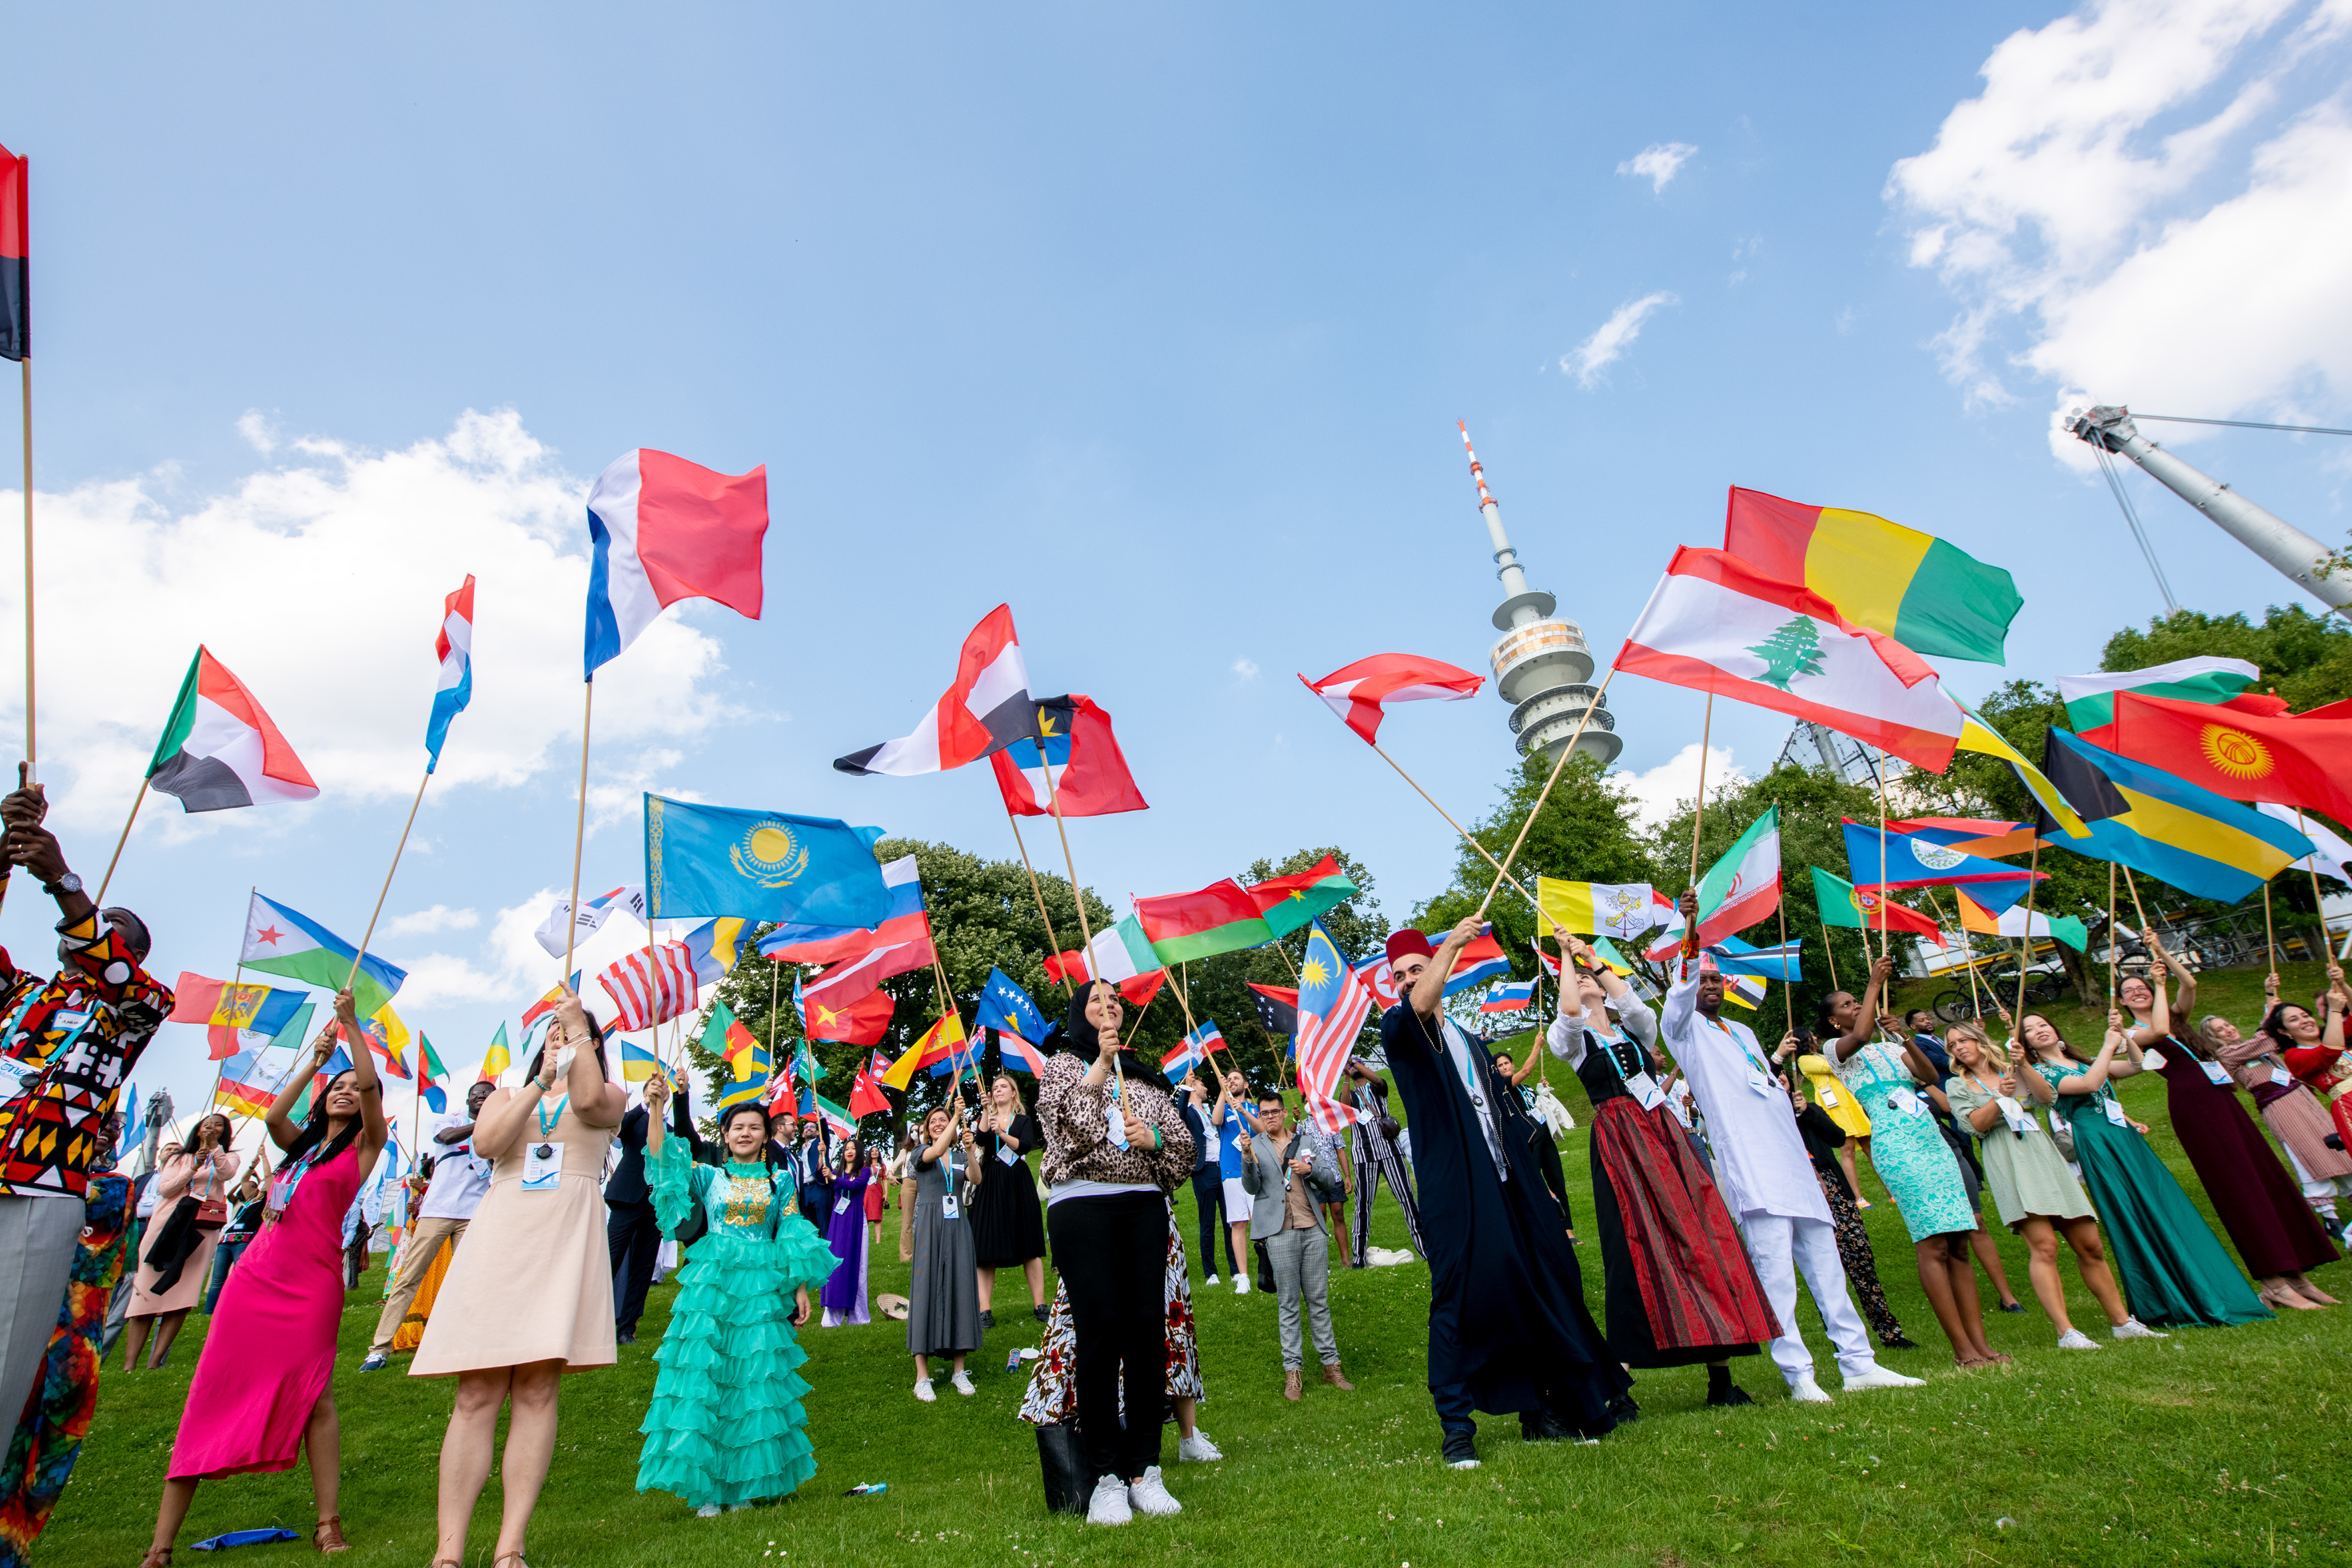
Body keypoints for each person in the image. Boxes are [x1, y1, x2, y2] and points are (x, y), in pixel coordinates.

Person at [141, 991, 388, 1566]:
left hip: (312, 1284)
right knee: (209, 1390)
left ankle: (329, 1524)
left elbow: (373, 1090)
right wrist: (315, 1059)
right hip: (253, 1279)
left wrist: (351, 1028)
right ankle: (160, 1546)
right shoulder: (296, 1148)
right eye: (340, 1084)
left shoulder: (365, 1149)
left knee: (316, 1396)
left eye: (356, 1086)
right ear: (326, 1095)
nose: (349, 1090)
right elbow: (276, 1117)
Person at [1657, 893, 1926, 1403]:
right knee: (1777, 1277)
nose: (1710, 985)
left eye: (1717, 979)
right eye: (1703, 979)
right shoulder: (1684, 1030)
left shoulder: (1742, 1031)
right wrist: (1691, 925)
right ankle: (1799, 1374)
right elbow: (1682, 985)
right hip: (1752, 1171)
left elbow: (1762, 1086)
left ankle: (1859, 1363)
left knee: (1829, 1271)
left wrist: (1785, 1095)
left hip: (1793, 1166)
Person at [1381, 923, 1630, 1467]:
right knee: (1458, 1300)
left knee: (1542, 1279)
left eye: (1415, 969)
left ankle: (1549, 1408)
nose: (1407, 981)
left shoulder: (1469, 1040)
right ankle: (1456, 1429)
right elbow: (1419, 1006)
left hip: (1506, 1182)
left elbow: (1501, 1112)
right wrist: (1450, 945)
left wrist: (1536, 1184)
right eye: (1398, 975)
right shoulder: (1399, 1030)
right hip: (1455, 1191)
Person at [412, 994, 624, 1568]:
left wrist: (579, 1030)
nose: (561, 1036)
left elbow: (586, 1101)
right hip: (502, 1238)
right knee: (476, 1392)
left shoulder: (609, 1097)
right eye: (552, 1031)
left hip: (563, 1238)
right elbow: (486, 1144)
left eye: (573, 1032)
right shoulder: (507, 1096)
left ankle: (510, 1547)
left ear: (594, 1045)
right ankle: (448, 1551)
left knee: (536, 1390)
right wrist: (538, 1082)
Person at [0, 781, 175, 1439]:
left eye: (110, 931)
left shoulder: (135, 1011)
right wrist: (6, 853)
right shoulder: (18, 997)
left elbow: (117, 977)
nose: (90, 931)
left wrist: (64, 882)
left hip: (41, 1190)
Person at [1546, 936, 1776, 1407]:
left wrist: (1590, 955)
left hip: (1663, 1132)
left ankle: (1721, 1379)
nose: (1587, 980)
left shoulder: (1637, 1029)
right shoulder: (1568, 1040)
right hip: (1618, 1140)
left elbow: (1631, 1001)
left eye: (1593, 978)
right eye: (1579, 977)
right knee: (1630, 1248)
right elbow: (1569, 1009)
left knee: (1700, 1234)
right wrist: (1565, 958)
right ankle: (1621, 1389)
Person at [1033, 981, 1195, 1525]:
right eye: (1098, 999)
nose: (1111, 1006)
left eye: (1117, 1000)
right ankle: (1105, 1476)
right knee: (1099, 1332)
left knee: (1147, 1333)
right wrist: (1099, 1066)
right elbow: (1066, 1129)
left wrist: (1153, 1139)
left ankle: (1144, 1469)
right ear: (1081, 1012)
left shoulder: (1147, 1078)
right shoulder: (1059, 1067)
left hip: (1144, 1209)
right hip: (1083, 1208)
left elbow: (1183, 1153)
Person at [636, 1082, 832, 1516]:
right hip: (714, 1284)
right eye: (737, 1126)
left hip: (760, 1289)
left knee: (752, 1383)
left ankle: (743, 1485)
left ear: (766, 1135)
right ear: (724, 1135)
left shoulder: (780, 1180)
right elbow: (662, 1159)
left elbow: (792, 1231)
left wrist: (799, 1286)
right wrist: (656, 1108)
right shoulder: (709, 1175)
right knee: (710, 1382)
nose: (745, 1132)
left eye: (754, 1127)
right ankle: (707, 1490)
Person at [2015, 1009, 2270, 1328]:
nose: (2039, 1030)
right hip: (2097, 1141)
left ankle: (2198, 1283)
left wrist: (2124, 1035)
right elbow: (2090, 1084)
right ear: (2025, 1042)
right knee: (2134, 1211)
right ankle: (2164, 1296)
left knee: (2159, 1203)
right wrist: (2109, 1047)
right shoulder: (2041, 1072)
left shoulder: (2082, 1061)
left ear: (2055, 1030)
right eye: (2029, 1029)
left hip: (2123, 1136)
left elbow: (2142, 1065)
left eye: (2043, 1024)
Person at [2120, 951, 2339, 1310]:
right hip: (2194, 1107)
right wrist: (2158, 986)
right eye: (2130, 990)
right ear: (2123, 1002)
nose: (2137, 992)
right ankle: (2273, 1283)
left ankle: (2298, 1277)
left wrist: (2162, 955)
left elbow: (2189, 984)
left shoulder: (2178, 1017)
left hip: (2222, 1098)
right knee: (2238, 1186)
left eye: (2141, 986)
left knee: (2265, 1177)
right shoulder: (2132, 1032)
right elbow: (2157, 1031)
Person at [1820, 953, 1997, 1368]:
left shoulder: (1885, 1046)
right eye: (1846, 1005)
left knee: (1959, 1241)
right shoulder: (1838, 1049)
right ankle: (1962, 1351)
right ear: (1833, 1021)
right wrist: (1873, 983)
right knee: (1933, 1242)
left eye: (1855, 1001)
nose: (1855, 1007)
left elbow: (1930, 1077)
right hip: (1896, 1145)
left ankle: (1982, 1345)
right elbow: (1859, 1037)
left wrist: (1904, 1039)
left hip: (1931, 1140)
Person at [1942, 1021, 2160, 1348]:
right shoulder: (1959, 1086)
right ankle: (2066, 1332)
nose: (1959, 1047)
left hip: (2044, 1154)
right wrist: (1999, 1098)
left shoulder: (2012, 1068)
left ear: (1980, 1041)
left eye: (1964, 1040)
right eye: (1952, 1044)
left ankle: (2121, 1322)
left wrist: (2025, 1065)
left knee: (2091, 1244)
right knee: (2045, 1246)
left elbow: (2046, 1098)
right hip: (2009, 1159)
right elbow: (1975, 1127)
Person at [1020, 1205, 1223, 1465]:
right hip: (1095, 1215)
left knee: (1172, 1327)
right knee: (1090, 1330)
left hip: (1149, 1213)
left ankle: (1189, 1437)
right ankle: (1094, 1445)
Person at [361, 1080, 497, 1371]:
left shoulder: (499, 1127)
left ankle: (468, 1343)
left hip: (476, 1212)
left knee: (473, 1281)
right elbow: (447, 1138)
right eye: (477, 1095)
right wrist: (485, 1122)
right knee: (410, 1276)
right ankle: (380, 1348)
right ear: (468, 1099)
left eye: (488, 1096)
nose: (482, 1098)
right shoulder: (450, 1120)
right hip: (439, 1210)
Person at [1778, 1060, 1912, 1349]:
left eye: (1784, 1079)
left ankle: (1889, 1332)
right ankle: (1840, 1335)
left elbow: (1839, 1138)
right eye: (1774, 1081)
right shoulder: (1770, 1119)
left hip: (1835, 1190)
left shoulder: (1808, 1110)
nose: (1781, 1084)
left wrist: (1805, 1112)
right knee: (1822, 1267)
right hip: (1803, 1193)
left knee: (1861, 1259)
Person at [2221, 972, 2352, 1241]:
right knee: (2305, 1153)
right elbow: (2272, 1033)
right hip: (2283, 1107)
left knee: (2337, 1150)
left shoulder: (2268, 1048)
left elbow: (2267, 1031)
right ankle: (2333, 1219)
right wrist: (2276, 1009)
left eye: (2228, 1025)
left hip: (2303, 1097)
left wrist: (2341, 985)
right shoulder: (2240, 1054)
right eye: (2219, 1030)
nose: (2228, 1030)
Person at [1238, 1092, 1352, 1400]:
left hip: (1312, 1228)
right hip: (1279, 1232)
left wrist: (1309, 1171)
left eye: (1275, 1112)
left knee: (1319, 1300)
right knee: (1288, 1303)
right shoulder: (1256, 1144)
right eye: (1264, 1113)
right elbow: (1251, 1187)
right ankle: (1293, 1374)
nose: (1270, 1117)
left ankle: (1332, 1367)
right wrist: (1247, 1157)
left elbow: (1330, 1179)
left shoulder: (1305, 1142)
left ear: (1285, 1113)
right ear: (1260, 1116)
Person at [123, 1114, 242, 1371]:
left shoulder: (227, 1155)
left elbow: (226, 1174)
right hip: (167, 1224)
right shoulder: (178, 1158)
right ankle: (129, 1365)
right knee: (146, 1288)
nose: (212, 1127)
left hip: (201, 1226)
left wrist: (214, 1149)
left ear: (225, 1132)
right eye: (208, 1123)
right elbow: (165, 1190)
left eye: (219, 1125)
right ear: (198, 1129)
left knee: (183, 1294)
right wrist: (192, 1167)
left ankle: (155, 1362)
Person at [606, 1067, 699, 1347]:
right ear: (646, 1093)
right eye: (652, 1090)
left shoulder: (670, 1131)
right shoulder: (634, 1121)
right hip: (627, 1199)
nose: (658, 1093)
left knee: (643, 1267)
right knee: (609, 1259)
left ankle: (627, 1328)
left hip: (656, 1206)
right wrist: (644, 1104)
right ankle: (590, 1319)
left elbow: (686, 1137)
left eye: (662, 1091)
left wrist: (682, 1094)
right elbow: (619, 1128)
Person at [906, 1104, 984, 1400]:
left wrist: (972, 1150)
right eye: (933, 1121)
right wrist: (954, 1117)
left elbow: (975, 1179)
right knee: (925, 1289)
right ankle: (922, 1376)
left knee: (960, 1288)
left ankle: (958, 1372)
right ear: (926, 1128)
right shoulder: (920, 1152)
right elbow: (936, 1152)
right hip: (929, 1224)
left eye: (943, 1120)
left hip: (957, 1226)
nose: (939, 1124)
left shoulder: (961, 1155)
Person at [971, 1072, 1048, 1326]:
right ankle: (985, 1310)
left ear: (1014, 1093)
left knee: (1029, 1242)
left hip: (1018, 1180)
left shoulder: (1023, 1119)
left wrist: (1002, 1132)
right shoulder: (988, 1116)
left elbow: (1024, 1145)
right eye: (995, 1087)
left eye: (1004, 1086)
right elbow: (981, 1140)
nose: (998, 1090)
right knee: (986, 1245)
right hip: (992, 1180)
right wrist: (985, 1111)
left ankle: (1040, 1304)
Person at [1344, 1060, 1423, 1265]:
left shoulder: (1377, 1088)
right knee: (1363, 1207)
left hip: (1390, 1152)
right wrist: (1345, 1077)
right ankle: (1359, 1260)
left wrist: (1353, 1061)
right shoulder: (1350, 1095)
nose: (1354, 1068)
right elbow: (1344, 1108)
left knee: (1407, 1199)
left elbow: (1379, 1080)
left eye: (1358, 1065)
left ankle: (1426, 1249)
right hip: (1364, 1156)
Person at [1175, 1073, 1235, 1285]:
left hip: (1224, 1168)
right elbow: (1179, 1115)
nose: (1206, 1089)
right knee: (1207, 1223)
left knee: (1231, 1221)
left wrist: (1223, 1088)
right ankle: (1211, 1273)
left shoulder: (1210, 1111)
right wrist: (1186, 1086)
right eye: (1202, 1085)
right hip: (1204, 1172)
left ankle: (1236, 1270)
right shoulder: (1188, 1112)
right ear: (1193, 1088)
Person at [1209, 1068, 1256, 1296]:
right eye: (1229, 1079)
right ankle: (1243, 1276)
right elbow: (1216, 1120)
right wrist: (1222, 1091)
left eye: (1236, 1078)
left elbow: (1263, 1130)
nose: (1232, 1081)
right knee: (1238, 1224)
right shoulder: (1225, 1109)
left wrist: (1245, 1113)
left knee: (1264, 1221)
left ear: (1246, 1085)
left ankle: (1273, 1267)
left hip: (1255, 1171)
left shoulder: (1255, 1109)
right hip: (1232, 1173)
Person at [203, 1155, 268, 1315]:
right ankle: (209, 1311)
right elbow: (245, 1180)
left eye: (252, 1186)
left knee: (241, 1275)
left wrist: (264, 1161)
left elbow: (268, 1181)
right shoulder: (246, 1202)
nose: (246, 1188)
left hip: (244, 1240)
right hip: (225, 1241)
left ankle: (239, 1307)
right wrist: (252, 1167)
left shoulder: (263, 1201)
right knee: (218, 1278)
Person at [820, 1142, 871, 1328]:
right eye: (846, 1149)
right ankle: (832, 1317)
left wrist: (834, 1177)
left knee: (858, 1266)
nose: (849, 1152)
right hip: (838, 1221)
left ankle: (858, 1316)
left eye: (853, 1149)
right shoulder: (837, 1172)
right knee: (835, 1266)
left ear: (859, 1153)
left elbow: (855, 1186)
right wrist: (823, 1155)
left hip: (857, 1222)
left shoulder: (865, 1171)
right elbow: (823, 1176)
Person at [789, 1118, 833, 1223]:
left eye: (812, 1127)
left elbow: (825, 1132)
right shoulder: (798, 1154)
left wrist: (821, 1118)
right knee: (810, 1228)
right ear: (803, 1134)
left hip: (819, 1187)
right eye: (806, 1127)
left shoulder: (821, 1143)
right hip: (804, 1191)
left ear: (818, 1132)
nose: (809, 1128)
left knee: (825, 1224)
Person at [889, 1129, 920, 1265]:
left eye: (918, 1131)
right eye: (913, 1131)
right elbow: (893, 1166)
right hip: (908, 1183)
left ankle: (924, 1252)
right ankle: (907, 1257)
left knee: (924, 1219)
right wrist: (890, 1175)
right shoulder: (905, 1151)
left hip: (925, 1182)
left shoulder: (928, 1148)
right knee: (907, 1221)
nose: (916, 1133)